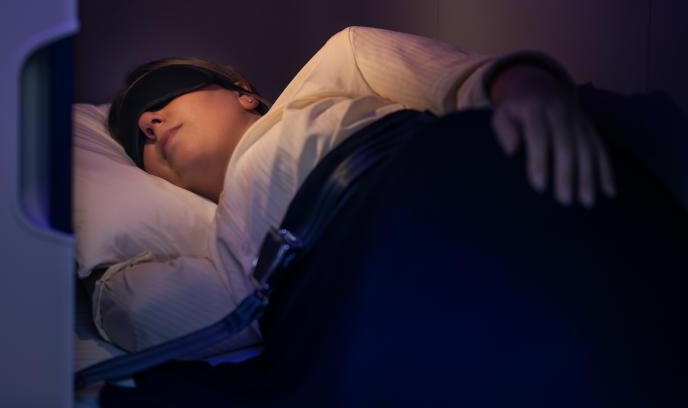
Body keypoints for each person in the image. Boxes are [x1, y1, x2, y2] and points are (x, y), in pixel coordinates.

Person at [101, 27, 688, 407]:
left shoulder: (331, 69)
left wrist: (528, 84)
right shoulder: (225, 251)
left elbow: (463, 80)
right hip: (341, 294)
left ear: (241, 91)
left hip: (431, 180)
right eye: (139, 140)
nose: (150, 125)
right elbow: (139, 310)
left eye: (161, 100)